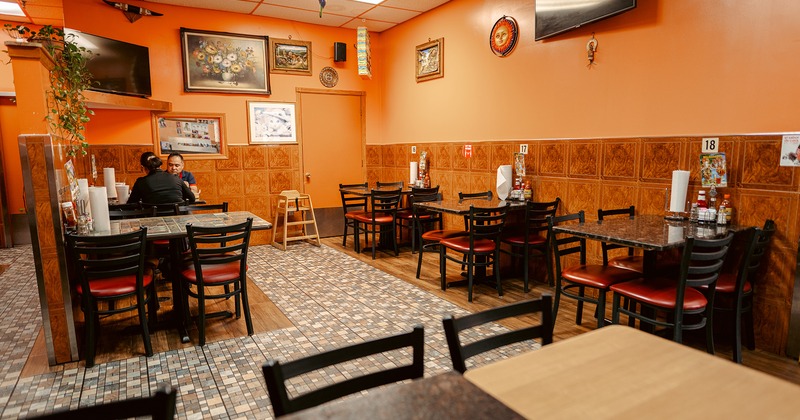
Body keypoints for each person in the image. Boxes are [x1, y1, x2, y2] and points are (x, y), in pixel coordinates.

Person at [128, 152, 195, 205]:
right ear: (160, 165)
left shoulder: (141, 182)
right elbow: (192, 199)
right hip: (177, 216)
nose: (174, 168)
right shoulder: (176, 178)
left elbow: (131, 204)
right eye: (171, 165)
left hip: (152, 219)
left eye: (177, 165)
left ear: (144, 168)